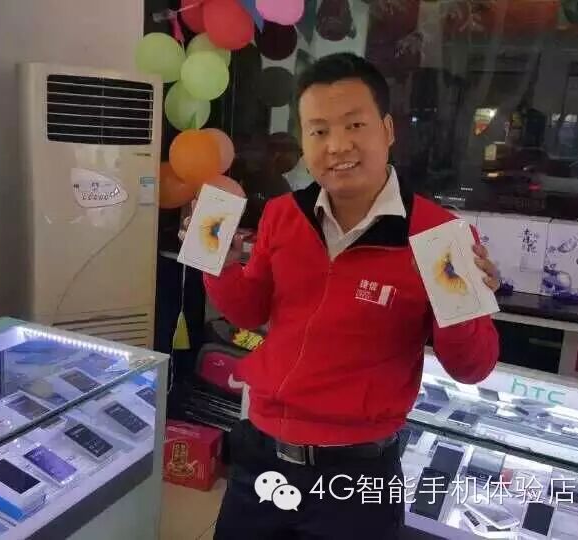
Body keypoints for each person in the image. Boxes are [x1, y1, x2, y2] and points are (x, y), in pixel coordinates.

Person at [197, 53, 501, 540]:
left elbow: (472, 368)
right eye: (318, 131)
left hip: (357, 477)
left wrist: (459, 306)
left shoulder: (441, 235)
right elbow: (249, 311)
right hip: (262, 457)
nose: (337, 145)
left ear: (387, 129)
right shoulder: (282, 214)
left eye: (354, 124)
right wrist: (221, 265)